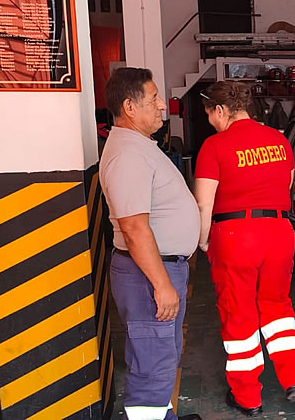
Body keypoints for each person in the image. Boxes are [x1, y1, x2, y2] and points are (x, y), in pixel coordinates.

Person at [193, 81, 295, 417]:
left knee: (238, 313)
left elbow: (203, 203)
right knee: (277, 305)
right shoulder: (279, 140)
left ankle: (247, 397)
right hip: (279, 232)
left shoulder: (214, 146)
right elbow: (286, 184)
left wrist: (202, 240)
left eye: (210, 115)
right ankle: (294, 379)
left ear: (220, 110)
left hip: (235, 235)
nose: (211, 122)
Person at [100, 67, 201, 420]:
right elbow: (133, 227)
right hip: (149, 274)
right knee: (152, 364)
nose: (162, 105)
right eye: (154, 98)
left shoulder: (139, 147)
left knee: (161, 356)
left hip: (158, 269)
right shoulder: (128, 155)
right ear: (130, 107)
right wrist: (161, 285)